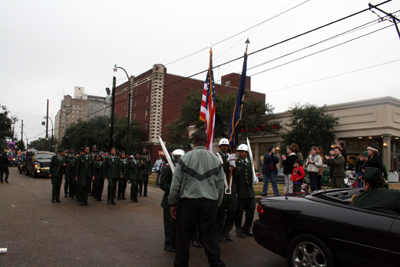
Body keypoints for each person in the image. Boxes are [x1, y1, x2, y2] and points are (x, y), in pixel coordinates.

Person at [168, 130, 225, 267]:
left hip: (188, 203)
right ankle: (216, 264)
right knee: (210, 237)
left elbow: (176, 183)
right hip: (209, 203)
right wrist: (217, 204)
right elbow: (221, 186)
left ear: (194, 141)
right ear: (206, 142)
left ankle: (181, 264)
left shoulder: (185, 159)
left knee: (183, 238)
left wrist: (172, 202)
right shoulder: (216, 160)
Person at [160, 149, 184, 253]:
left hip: (180, 200)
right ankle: (168, 243)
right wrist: (173, 189)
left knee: (178, 224)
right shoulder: (167, 167)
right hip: (169, 200)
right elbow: (163, 184)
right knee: (169, 224)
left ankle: (176, 242)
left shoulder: (184, 168)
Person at [232, 144, 258, 239]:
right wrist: (235, 191)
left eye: (242, 152)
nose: (240, 153)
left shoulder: (250, 162)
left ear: (246, 153)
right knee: (239, 212)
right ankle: (238, 229)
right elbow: (234, 178)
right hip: (240, 191)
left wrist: (255, 179)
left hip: (249, 191)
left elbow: (252, 174)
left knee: (250, 211)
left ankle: (247, 228)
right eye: (239, 152)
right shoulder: (236, 162)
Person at [215, 138, 236, 242]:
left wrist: (235, 166)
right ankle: (218, 232)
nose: (225, 147)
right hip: (221, 187)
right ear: (219, 147)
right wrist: (228, 162)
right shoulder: (216, 157)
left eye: (227, 146)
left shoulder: (230, 156)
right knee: (221, 212)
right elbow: (219, 169)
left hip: (230, 187)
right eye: (223, 146)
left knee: (232, 210)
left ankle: (226, 231)